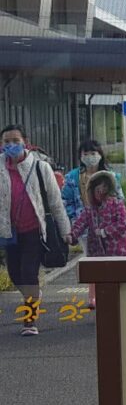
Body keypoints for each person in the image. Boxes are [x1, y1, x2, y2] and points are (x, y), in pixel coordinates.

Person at [0, 124, 72, 336]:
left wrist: (66, 231)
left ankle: (30, 320)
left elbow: (55, 203)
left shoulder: (41, 167)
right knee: (15, 274)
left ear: (26, 142)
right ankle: (33, 296)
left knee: (29, 273)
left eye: (16, 140)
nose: (11, 145)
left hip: (35, 230)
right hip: (9, 232)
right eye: (6, 141)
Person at [62, 140, 124, 307]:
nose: (90, 157)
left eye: (93, 153)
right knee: (91, 258)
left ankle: (112, 292)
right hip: (85, 225)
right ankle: (93, 295)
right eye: (86, 154)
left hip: (108, 227)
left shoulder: (111, 176)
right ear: (80, 156)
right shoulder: (73, 177)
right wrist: (74, 218)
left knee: (111, 258)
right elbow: (66, 200)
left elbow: (120, 199)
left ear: (100, 155)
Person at [65, 170, 126, 260]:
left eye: (104, 188)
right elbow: (80, 224)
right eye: (97, 190)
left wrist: (104, 231)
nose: (101, 192)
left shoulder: (117, 204)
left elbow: (123, 224)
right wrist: (72, 236)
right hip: (96, 256)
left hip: (119, 254)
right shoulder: (89, 209)